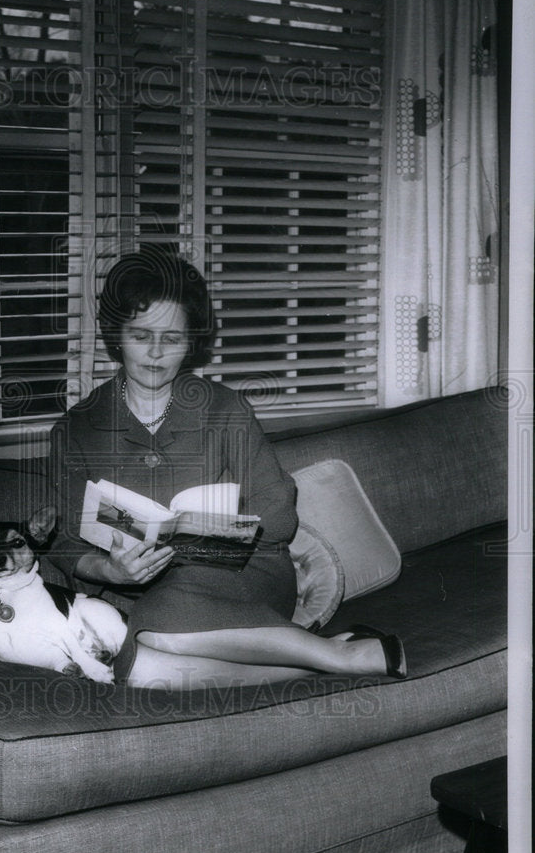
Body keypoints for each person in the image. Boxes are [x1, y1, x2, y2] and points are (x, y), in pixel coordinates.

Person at [45, 250, 406, 689]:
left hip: (245, 575)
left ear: (191, 341)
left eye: (172, 338)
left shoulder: (226, 409)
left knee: (158, 617)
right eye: (141, 336)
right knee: (138, 671)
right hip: (139, 589)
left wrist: (210, 530)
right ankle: (336, 657)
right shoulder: (77, 428)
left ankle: (332, 653)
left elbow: (279, 515)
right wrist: (111, 572)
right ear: (115, 336)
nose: (156, 353)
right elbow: (62, 542)